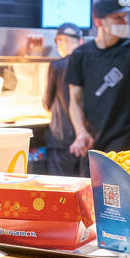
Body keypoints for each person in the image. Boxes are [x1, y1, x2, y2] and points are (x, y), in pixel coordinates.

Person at [68, 0, 130, 171]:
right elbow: (74, 100)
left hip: (124, 142)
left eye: (124, 17)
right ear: (99, 22)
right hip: (92, 143)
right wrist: (80, 132)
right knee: (90, 195)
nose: (124, 21)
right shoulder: (80, 54)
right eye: (118, 18)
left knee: (120, 195)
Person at [41, 23, 85, 176]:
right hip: (86, 140)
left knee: (61, 192)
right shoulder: (90, 64)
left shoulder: (56, 66)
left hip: (61, 141)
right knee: (85, 191)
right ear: (81, 42)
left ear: (59, 41)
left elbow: (47, 102)